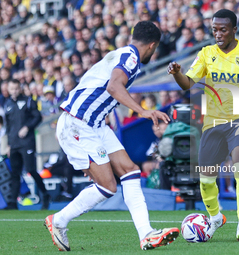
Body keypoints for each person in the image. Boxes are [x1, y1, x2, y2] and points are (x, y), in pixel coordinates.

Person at [44, 21, 179, 252]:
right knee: (107, 186)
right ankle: (59, 220)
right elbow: (114, 88)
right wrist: (143, 111)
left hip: (94, 124)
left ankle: (146, 234)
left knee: (131, 170)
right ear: (152, 45)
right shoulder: (132, 57)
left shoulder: (122, 54)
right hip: (78, 123)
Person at [167, 9, 239, 241]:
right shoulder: (205, 54)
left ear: (234, 30)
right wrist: (177, 74)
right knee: (205, 178)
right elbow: (188, 84)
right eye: (214, 29)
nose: (218, 34)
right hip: (212, 123)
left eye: (223, 29)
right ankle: (215, 217)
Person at [5, 79, 50, 210]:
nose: (14, 91)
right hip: (14, 143)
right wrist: (8, 144)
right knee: (15, 173)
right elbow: (8, 127)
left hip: (27, 142)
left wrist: (27, 127)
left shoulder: (29, 101)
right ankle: (13, 203)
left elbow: (38, 117)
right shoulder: (8, 104)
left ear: (20, 88)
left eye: (16, 89)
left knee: (31, 170)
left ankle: (45, 195)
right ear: (8, 89)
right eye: (11, 89)